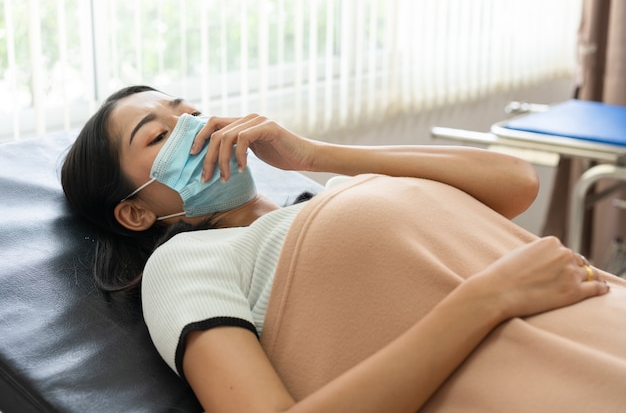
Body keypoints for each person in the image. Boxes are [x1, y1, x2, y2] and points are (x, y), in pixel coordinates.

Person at [61, 85, 622, 412]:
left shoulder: (329, 192)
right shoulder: (185, 262)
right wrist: (486, 301)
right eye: (159, 135)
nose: (195, 128)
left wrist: (310, 155)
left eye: (189, 112)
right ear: (135, 212)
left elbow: (516, 181)